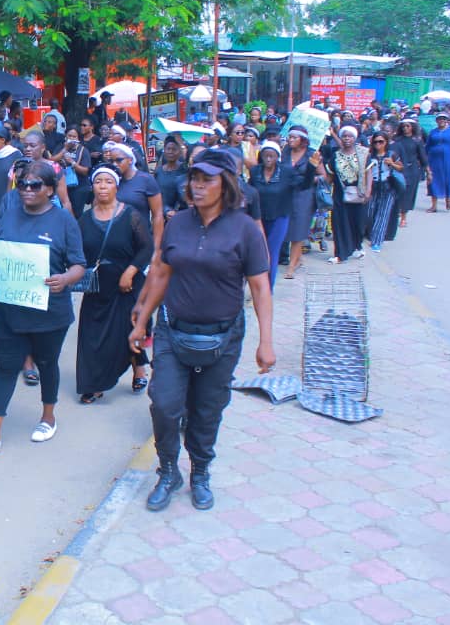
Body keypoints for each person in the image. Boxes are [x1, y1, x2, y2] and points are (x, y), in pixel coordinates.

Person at [129, 148, 274, 512]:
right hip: (172, 331)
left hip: (223, 337)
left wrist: (267, 342)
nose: (197, 185)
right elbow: (162, 272)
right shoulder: (178, 223)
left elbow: (260, 287)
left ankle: (200, 472)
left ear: (226, 184)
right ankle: (168, 471)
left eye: (207, 179)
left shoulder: (245, 229)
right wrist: (143, 319)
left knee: (207, 409)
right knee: (165, 405)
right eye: (194, 178)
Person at [0, 162, 86, 456]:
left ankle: (48, 417)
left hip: (50, 313)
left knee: (47, 363)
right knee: (6, 367)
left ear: (50, 190)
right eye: (22, 184)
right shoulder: (9, 214)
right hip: (10, 311)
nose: (27, 190)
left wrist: (65, 279)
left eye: (35, 185)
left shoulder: (64, 221)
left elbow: (79, 265)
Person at [76, 165, 154, 403]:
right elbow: (76, 252)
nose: (102, 186)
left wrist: (130, 271)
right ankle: (94, 383)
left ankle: (139, 368)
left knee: (127, 331)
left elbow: (146, 248)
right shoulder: (84, 220)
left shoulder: (131, 215)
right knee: (92, 335)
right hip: (98, 287)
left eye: (108, 182)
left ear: (116, 187)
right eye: (98, 181)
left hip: (127, 287)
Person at [248, 140, 319, 289]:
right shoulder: (255, 172)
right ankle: (258, 286)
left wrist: (311, 167)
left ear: (277, 157)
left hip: (279, 217)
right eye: (266, 156)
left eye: (272, 156)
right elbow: (250, 192)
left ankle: (267, 289)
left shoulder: (286, 172)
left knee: (272, 252)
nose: (268, 159)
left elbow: (304, 185)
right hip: (259, 218)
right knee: (258, 252)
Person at [321, 125, 370, 263]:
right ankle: (340, 254)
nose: (347, 138)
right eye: (344, 136)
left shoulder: (363, 154)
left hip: (359, 194)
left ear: (355, 138)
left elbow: (368, 173)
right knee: (339, 223)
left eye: (350, 136)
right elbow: (330, 176)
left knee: (358, 223)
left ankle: (356, 246)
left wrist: (368, 191)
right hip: (340, 195)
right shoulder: (335, 155)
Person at [280, 127, 322, 279]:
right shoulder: (285, 151)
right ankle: (297, 258)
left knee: (298, 230)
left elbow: (324, 176)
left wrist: (308, 178)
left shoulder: (312, 154)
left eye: (294, 137)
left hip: (304, 195)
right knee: (286, 228)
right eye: (289, 137)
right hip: (286, 193)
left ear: (302, 140)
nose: (290, 140)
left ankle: (291, 266)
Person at [108, 142, 165, 251]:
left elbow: (157, 215)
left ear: (130, 160)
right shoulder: (111, 181)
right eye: (111, 161)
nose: (114, 164)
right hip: (115, 243)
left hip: (140, 242)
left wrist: (157, 248)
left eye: (119, 160)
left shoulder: (146, 180)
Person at [366, 133, 404, 252]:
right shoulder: (369, 155)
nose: (378, 144)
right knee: (369, 213)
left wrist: (392, 163)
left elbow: (401, 167)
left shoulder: (391, 154)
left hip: (387, 187)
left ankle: (377, 241)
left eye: (381, 141)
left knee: (383, 215)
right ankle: (369, 234)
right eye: (375, 142)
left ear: (386, 142)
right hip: (373, 187)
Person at [22, 130, 72, 211]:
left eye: (32, 146)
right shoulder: (18, 166)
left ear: (43, 148)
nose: (28, 149)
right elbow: (9, 197)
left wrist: (69, 218)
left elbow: (65, 201)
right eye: (25, 146)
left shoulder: (54, 167)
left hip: (51, 212)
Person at [392, 119, 428, 227]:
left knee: (408, 194)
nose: (405, 128)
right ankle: (396, 213)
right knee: (397, 193)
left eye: (408, 126)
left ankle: (404, 217)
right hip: (398, 169)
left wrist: (428, 171)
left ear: (412, 127)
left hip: (412, 170)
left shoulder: (417, 141)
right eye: (403, 126)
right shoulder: (397, 140)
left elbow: (423, 157)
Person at [426, 112, 450, 212]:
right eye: (439, 118)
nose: (441, 120)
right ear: (436, 121)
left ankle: (449, 198)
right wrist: (424, 160)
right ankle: (434, 205)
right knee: (433, 180)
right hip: (434, 160)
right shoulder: (433, 132)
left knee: (448, 179)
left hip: (448, 159)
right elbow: (427, 146)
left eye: (443, 118)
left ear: (447, 120)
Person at [55, 125, 92, 218]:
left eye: (74, 136)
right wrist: (65, 150)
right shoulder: (60, 147)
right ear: (65, 136)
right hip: (63, 185)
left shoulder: (83, 150)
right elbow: (52, 161)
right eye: (69, 136)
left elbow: (85, 171)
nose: (71, 138)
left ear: (78, 138)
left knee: (76, 214)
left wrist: (72, 163)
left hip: (79, 188)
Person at [154, 137, 187, 221]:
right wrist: (165, 210)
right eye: (168, 149)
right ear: (164, 150)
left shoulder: (184, 170)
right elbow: (156, 194)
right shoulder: (159, 171)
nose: (170, 152)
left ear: (179, 151)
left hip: (181, 214)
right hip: (162, 214)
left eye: (174, 149)